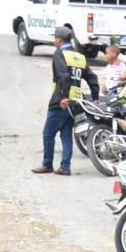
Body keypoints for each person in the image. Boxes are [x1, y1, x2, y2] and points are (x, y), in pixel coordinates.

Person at [33, 24, 95, 175]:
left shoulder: (59, 54)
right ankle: (65, 167)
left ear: (60, 40)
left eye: (55, 38)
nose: (54, 41)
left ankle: (47, 164)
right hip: (76, 102)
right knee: (66, 135)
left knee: (48, 133)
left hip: (61, 100)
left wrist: (64, 96)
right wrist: (96, 97)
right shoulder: (79, 56)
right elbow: (92, 77)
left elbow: (64, 76)